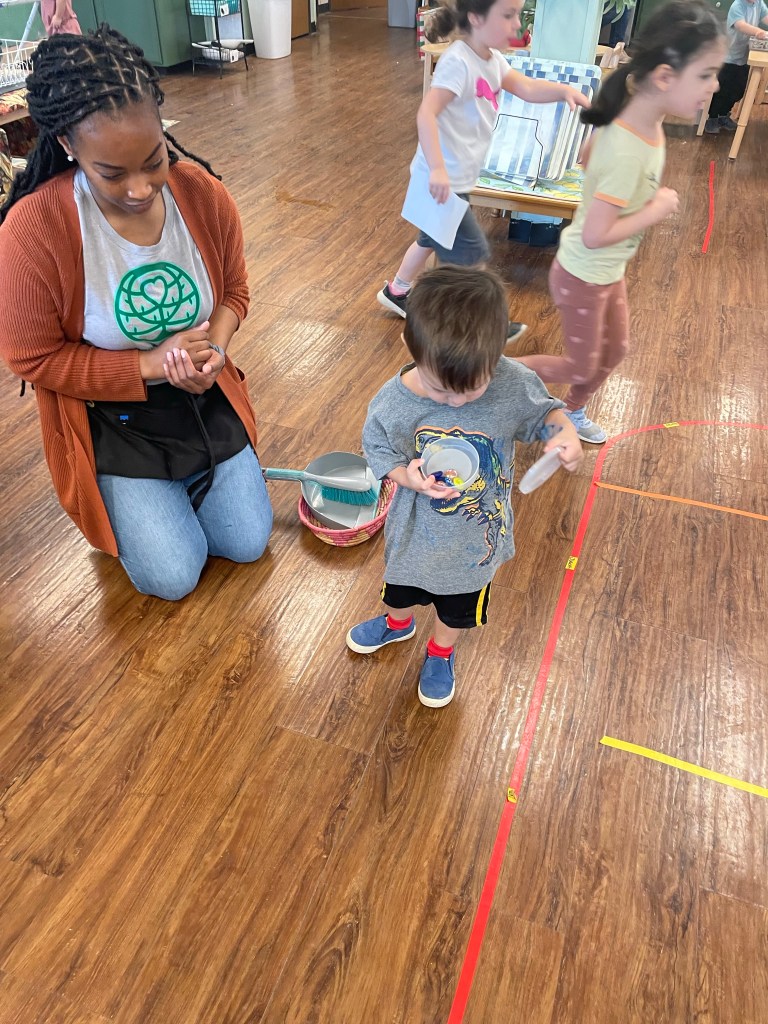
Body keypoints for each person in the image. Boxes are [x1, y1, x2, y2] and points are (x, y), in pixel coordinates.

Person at [0, 27, 272, 600]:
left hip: (200, 400)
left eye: (154, 161)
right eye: (113, 174)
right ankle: (135, 497)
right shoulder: (33, 230)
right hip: (110, 418)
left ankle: (179, 492)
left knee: (247, 541)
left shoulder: (201, 194)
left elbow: (235, 292)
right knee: (172, 576)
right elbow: (32, 359)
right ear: (68, 145)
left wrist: (216, 347)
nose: (142, 189)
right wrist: (148, 365)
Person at [347, 266, 583, 708]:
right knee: (399, 590)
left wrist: (563, 434)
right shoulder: (395, 401)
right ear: (411, 349)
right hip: (414, 534)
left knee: (457, 607)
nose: (455, 401)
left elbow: (545, 414)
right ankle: (398, 625)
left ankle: (441, 652)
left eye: (471, 391)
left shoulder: (512, 383)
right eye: (441, 391)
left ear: (497, 356)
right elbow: (377, 447)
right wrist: (405, 476)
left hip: (476, 539)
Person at [516, 0, 725, 444]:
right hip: (583, 273)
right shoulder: (628, 148)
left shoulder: (643, 118)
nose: (716, 85)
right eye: (706, 74)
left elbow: (588, 153)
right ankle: (494, 373)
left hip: (607, 271)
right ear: (665, 77)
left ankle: (572, 410)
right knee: (580, 365)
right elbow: (595, 235)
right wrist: (654, 209)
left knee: (615, 350)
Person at [376, 0, 590, 340]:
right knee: (473, 254)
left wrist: (563, 91)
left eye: (518, 14)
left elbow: (526, 87)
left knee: (431, 237)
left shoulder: (494, 60)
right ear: (476, 18)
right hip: (440, 181)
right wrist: (437, 169)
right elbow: (426, 114)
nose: (517, 24)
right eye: (508, 15)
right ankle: (487, 328)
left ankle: (397, 291)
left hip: (456, 178)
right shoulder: (458, 62)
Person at [704, 0, 768, 134]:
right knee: (721, 90)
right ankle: (712, 118)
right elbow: (741, 25)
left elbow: (766, 17)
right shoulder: (737, 5)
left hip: (743, 58)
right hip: (728, 57)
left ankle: (724, 114)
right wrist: (758, 32)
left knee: (737, 90)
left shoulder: (758, 3)